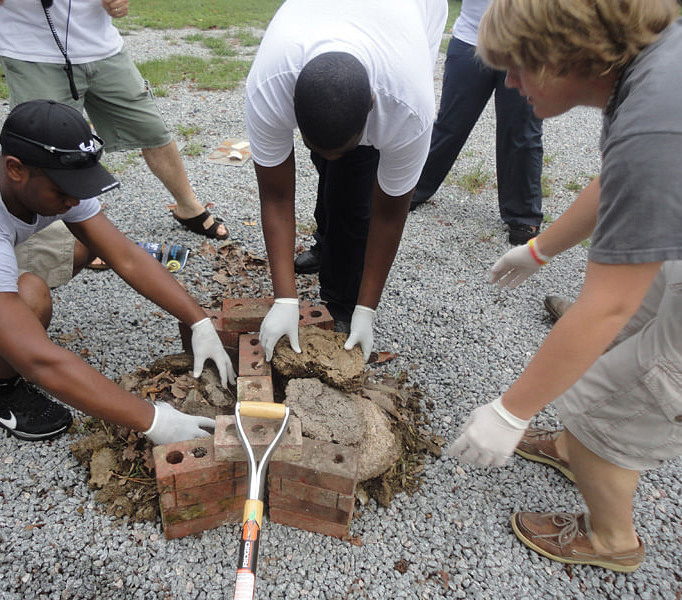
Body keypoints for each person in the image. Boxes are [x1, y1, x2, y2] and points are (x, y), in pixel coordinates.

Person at [448, 0, 681, 573]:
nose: (509, 81)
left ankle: (612, 540)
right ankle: (574, 445)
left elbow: (606, 304)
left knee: (611, 398)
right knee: (626, 334)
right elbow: (616, 182)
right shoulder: (647, 71)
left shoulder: (656, 116)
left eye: (518, 66)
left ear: (566, 56)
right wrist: (538, 248)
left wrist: (511, 410)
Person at [0, 99, 235, 443]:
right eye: (64, 190)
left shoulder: (29, 180)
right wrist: (152, 420)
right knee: (29, 297)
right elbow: (39, 360)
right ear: (15, 169)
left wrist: (198, 320)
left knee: (82, 243)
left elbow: (123, 255)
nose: (74, 199)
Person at [245, 0, 448, 361]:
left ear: (372, 104)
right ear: (293, 102)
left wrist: (366, 308)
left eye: (342, 145)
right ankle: (327, 241)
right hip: (326, 26)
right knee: (335, 170)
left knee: (356, 185)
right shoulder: (268, 85)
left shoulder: (409, 107)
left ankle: (343, 300)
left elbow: (389, 213)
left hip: (415, 14)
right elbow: (275, 197)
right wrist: (285, 298)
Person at [0, 0, 229, 242]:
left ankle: (187, 206)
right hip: (30, 51)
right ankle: (67, 234)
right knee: (46, 152)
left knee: (152, 130)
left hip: (103, 48)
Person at [410, 0, 544, 247]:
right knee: (450, 125)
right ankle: (413, 188)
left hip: (528, 48)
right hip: (470, 41)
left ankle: (523, 215)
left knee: (521, 133)